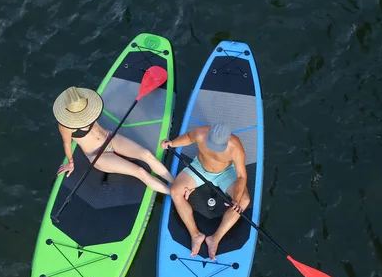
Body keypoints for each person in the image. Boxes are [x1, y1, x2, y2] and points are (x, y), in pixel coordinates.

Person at [53, 86, 174, 194]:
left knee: (147, 154)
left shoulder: (89, 104)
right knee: (140, 172)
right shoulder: (65, 125)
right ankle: (174, 193)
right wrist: (71, 163)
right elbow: (67, 143)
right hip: (98, 155)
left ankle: (176, 182)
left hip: (110, 138)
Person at [161, 123, 250, 261]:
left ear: (227, 140)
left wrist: (236, 199)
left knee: (244, 201)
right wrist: (171, 143)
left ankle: (215, 238)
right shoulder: (201, 132)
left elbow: (241, 176)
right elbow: (189, 137)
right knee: (175, 192)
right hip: (199, 168)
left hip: (225, 173)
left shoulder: (236, 147)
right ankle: (195, 235)